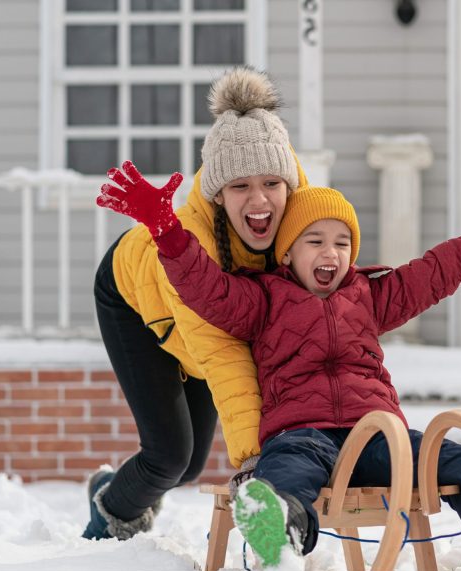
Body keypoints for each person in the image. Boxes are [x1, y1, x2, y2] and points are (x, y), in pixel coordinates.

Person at [97, 170, 461, 571]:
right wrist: (166, 229)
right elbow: (205, 289)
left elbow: (435, 271)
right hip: (302, 434)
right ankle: (278, 526)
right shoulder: (260, 301)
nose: (330, 253)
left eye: (342, 242)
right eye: (315, 241)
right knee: (286, 472)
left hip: (380, 437)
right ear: (287, 252)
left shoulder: (372, 296)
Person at [82, 67, 309, 540]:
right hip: (134, 297)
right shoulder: (192, 251)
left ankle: (119, 485)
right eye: (240, 186)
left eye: (271, 182)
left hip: (206, 328)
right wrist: (254, 466)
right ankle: (105, 521)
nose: (259, 199)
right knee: (168, 456)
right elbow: (224, 356)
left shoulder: (307, 229)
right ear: (219, 194)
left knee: (186, 467)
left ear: (289, 184)